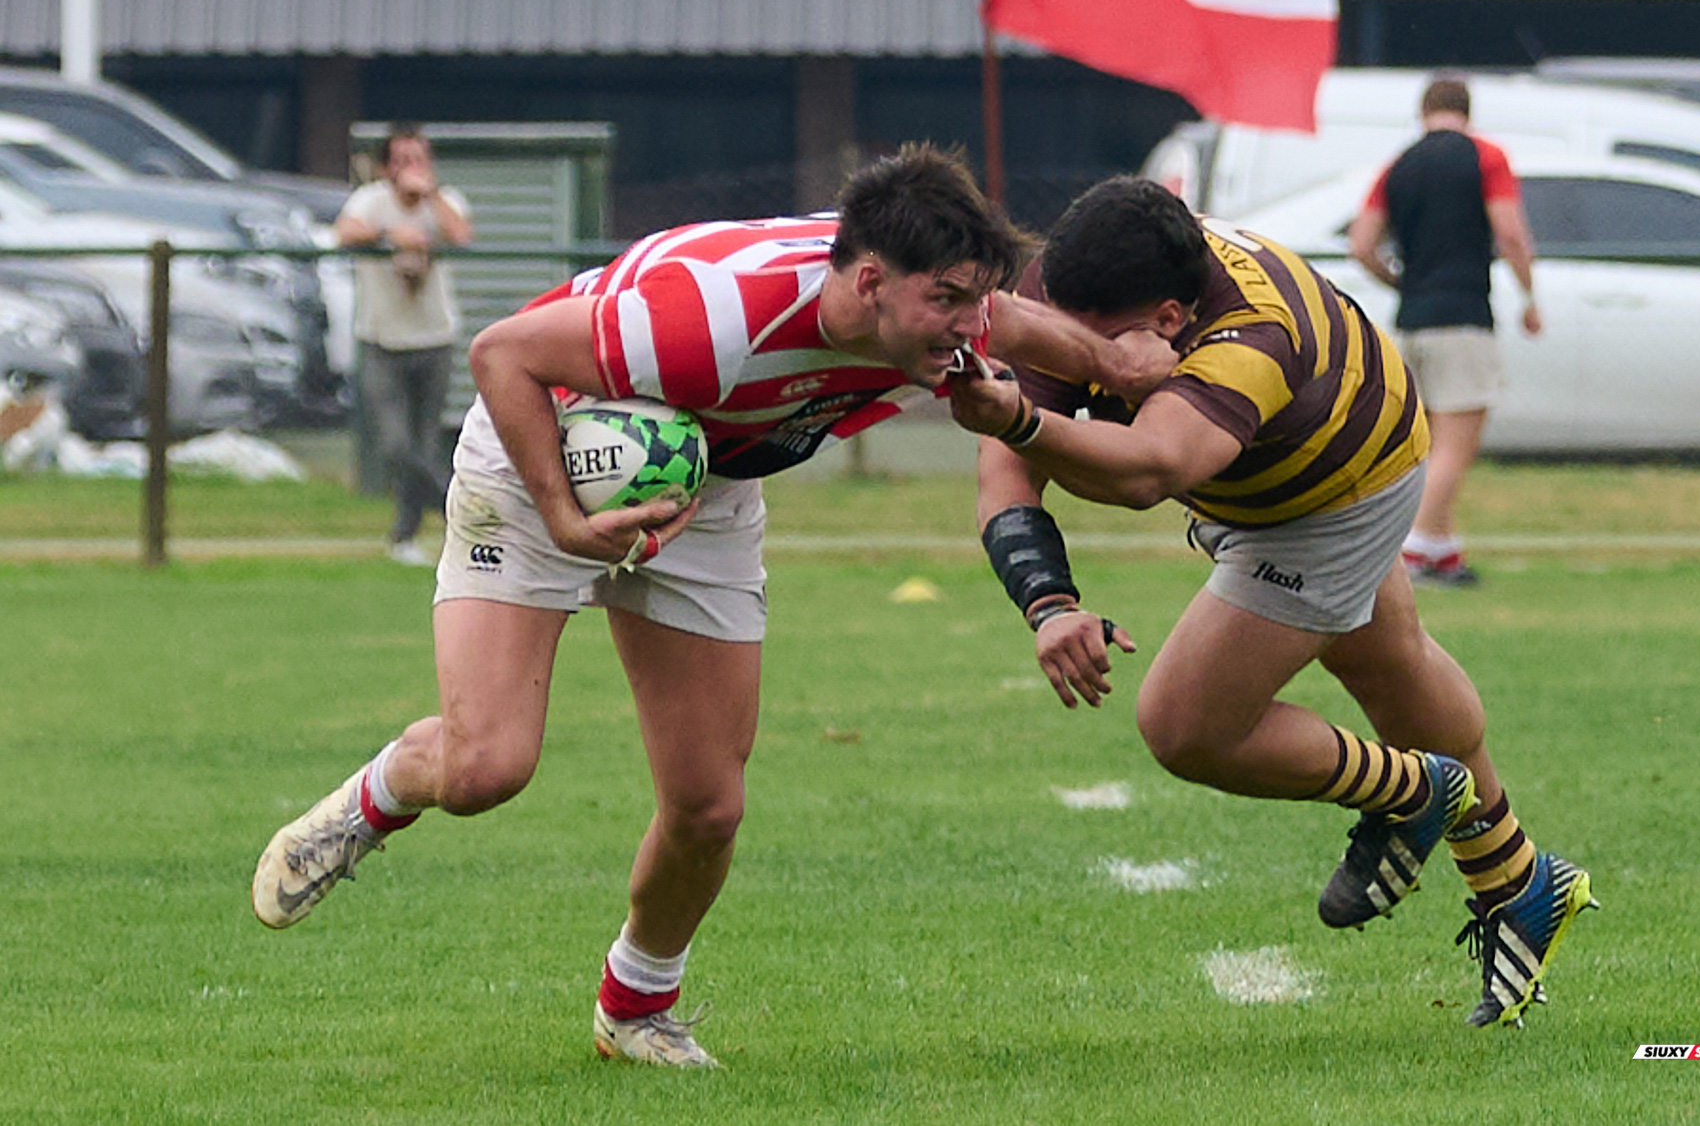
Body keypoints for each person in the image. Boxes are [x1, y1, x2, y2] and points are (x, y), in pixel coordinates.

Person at [252, 145, 1172, 1067]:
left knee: (708, 807)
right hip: (549, 442)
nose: (969, 327)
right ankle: (374, 798)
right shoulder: (709, 323)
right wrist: (568, 523)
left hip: (712, 479)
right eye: (947, 303)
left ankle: (637, 1008)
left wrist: (1119, 367)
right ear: (866, 282)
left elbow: (1014, 321)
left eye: (974, 302)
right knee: (487, 768)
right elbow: (502, 354)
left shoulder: (938, 311)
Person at [951, 177, 1593, 1029]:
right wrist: (1049, 602)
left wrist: (1023, 420)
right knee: (1390, 666)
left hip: (1331, 492)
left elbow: (1149, 470)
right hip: (1293, 459)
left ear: (1170, 320)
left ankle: (1412, 791)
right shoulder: (1073, 281)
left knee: (1185, 724)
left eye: (1092, 342)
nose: (1064, 348)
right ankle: (1521, 886)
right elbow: (1006, 473)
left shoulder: (1249, 336)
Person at [1347, 76, 1542, 588]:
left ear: (1424, 111)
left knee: (1423, 445)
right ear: (1466, 111)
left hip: (1410, 321)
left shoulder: (1398, 165)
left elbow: (1362, 243)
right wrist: (1529, 294)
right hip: (1463, 317)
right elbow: (1510, 231)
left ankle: (1443, 551)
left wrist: (1400, 281)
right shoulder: (1487, 158)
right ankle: (1411, 551)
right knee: (1456, 445)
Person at [335, 123, 475, 567]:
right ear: (386, 167)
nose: (414, 168)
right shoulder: (371, 201)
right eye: (404, 160)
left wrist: (428, 197)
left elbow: (460, 234)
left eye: (421, 158)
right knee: (396, 445)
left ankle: (405, 535)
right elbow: (346, 231)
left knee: (425, 441)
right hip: (382, 340)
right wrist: (389, 235)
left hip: (435, 339)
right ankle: (460, 513)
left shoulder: (445, 200)